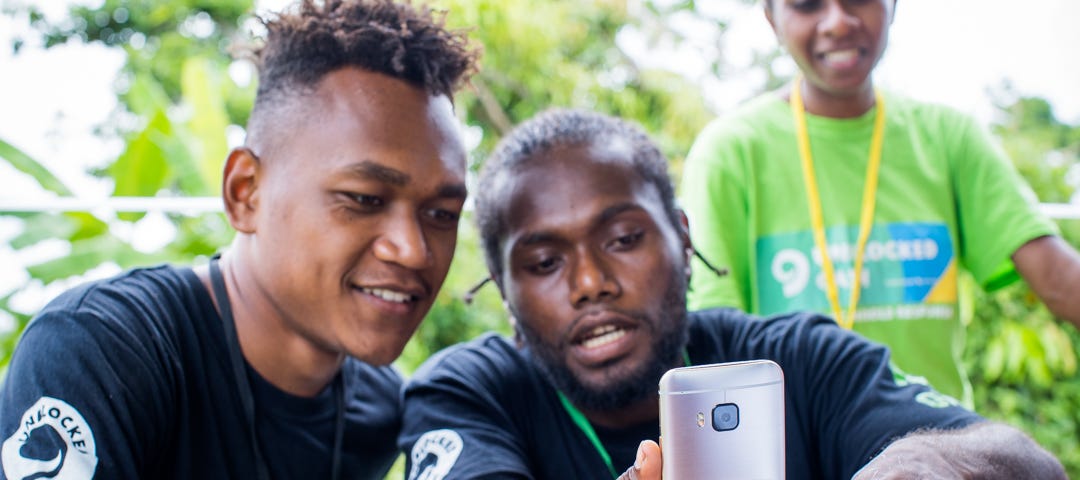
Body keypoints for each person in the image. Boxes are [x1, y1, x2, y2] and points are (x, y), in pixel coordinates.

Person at [397, 109, 1066, 480]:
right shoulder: (465, 393)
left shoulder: (796, 359)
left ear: (683, 243)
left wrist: (914, 469)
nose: (590, 282)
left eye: (625, 239)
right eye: (543, 261)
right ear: (506, 296)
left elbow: (1023, 463)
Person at [0, 1, 478, 478]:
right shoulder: (104, 352)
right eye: (364, 199)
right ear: (245, 193)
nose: (414, 249)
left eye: (441, 213)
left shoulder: (384, 410)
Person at [679, 0, 1080, 402]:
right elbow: (715, 342)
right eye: (806, 4)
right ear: (773, 20)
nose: (837, 22)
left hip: (941, 447)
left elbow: (1058, 278)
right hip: (797, 453)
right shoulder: (730, 151)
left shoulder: (948, 137)